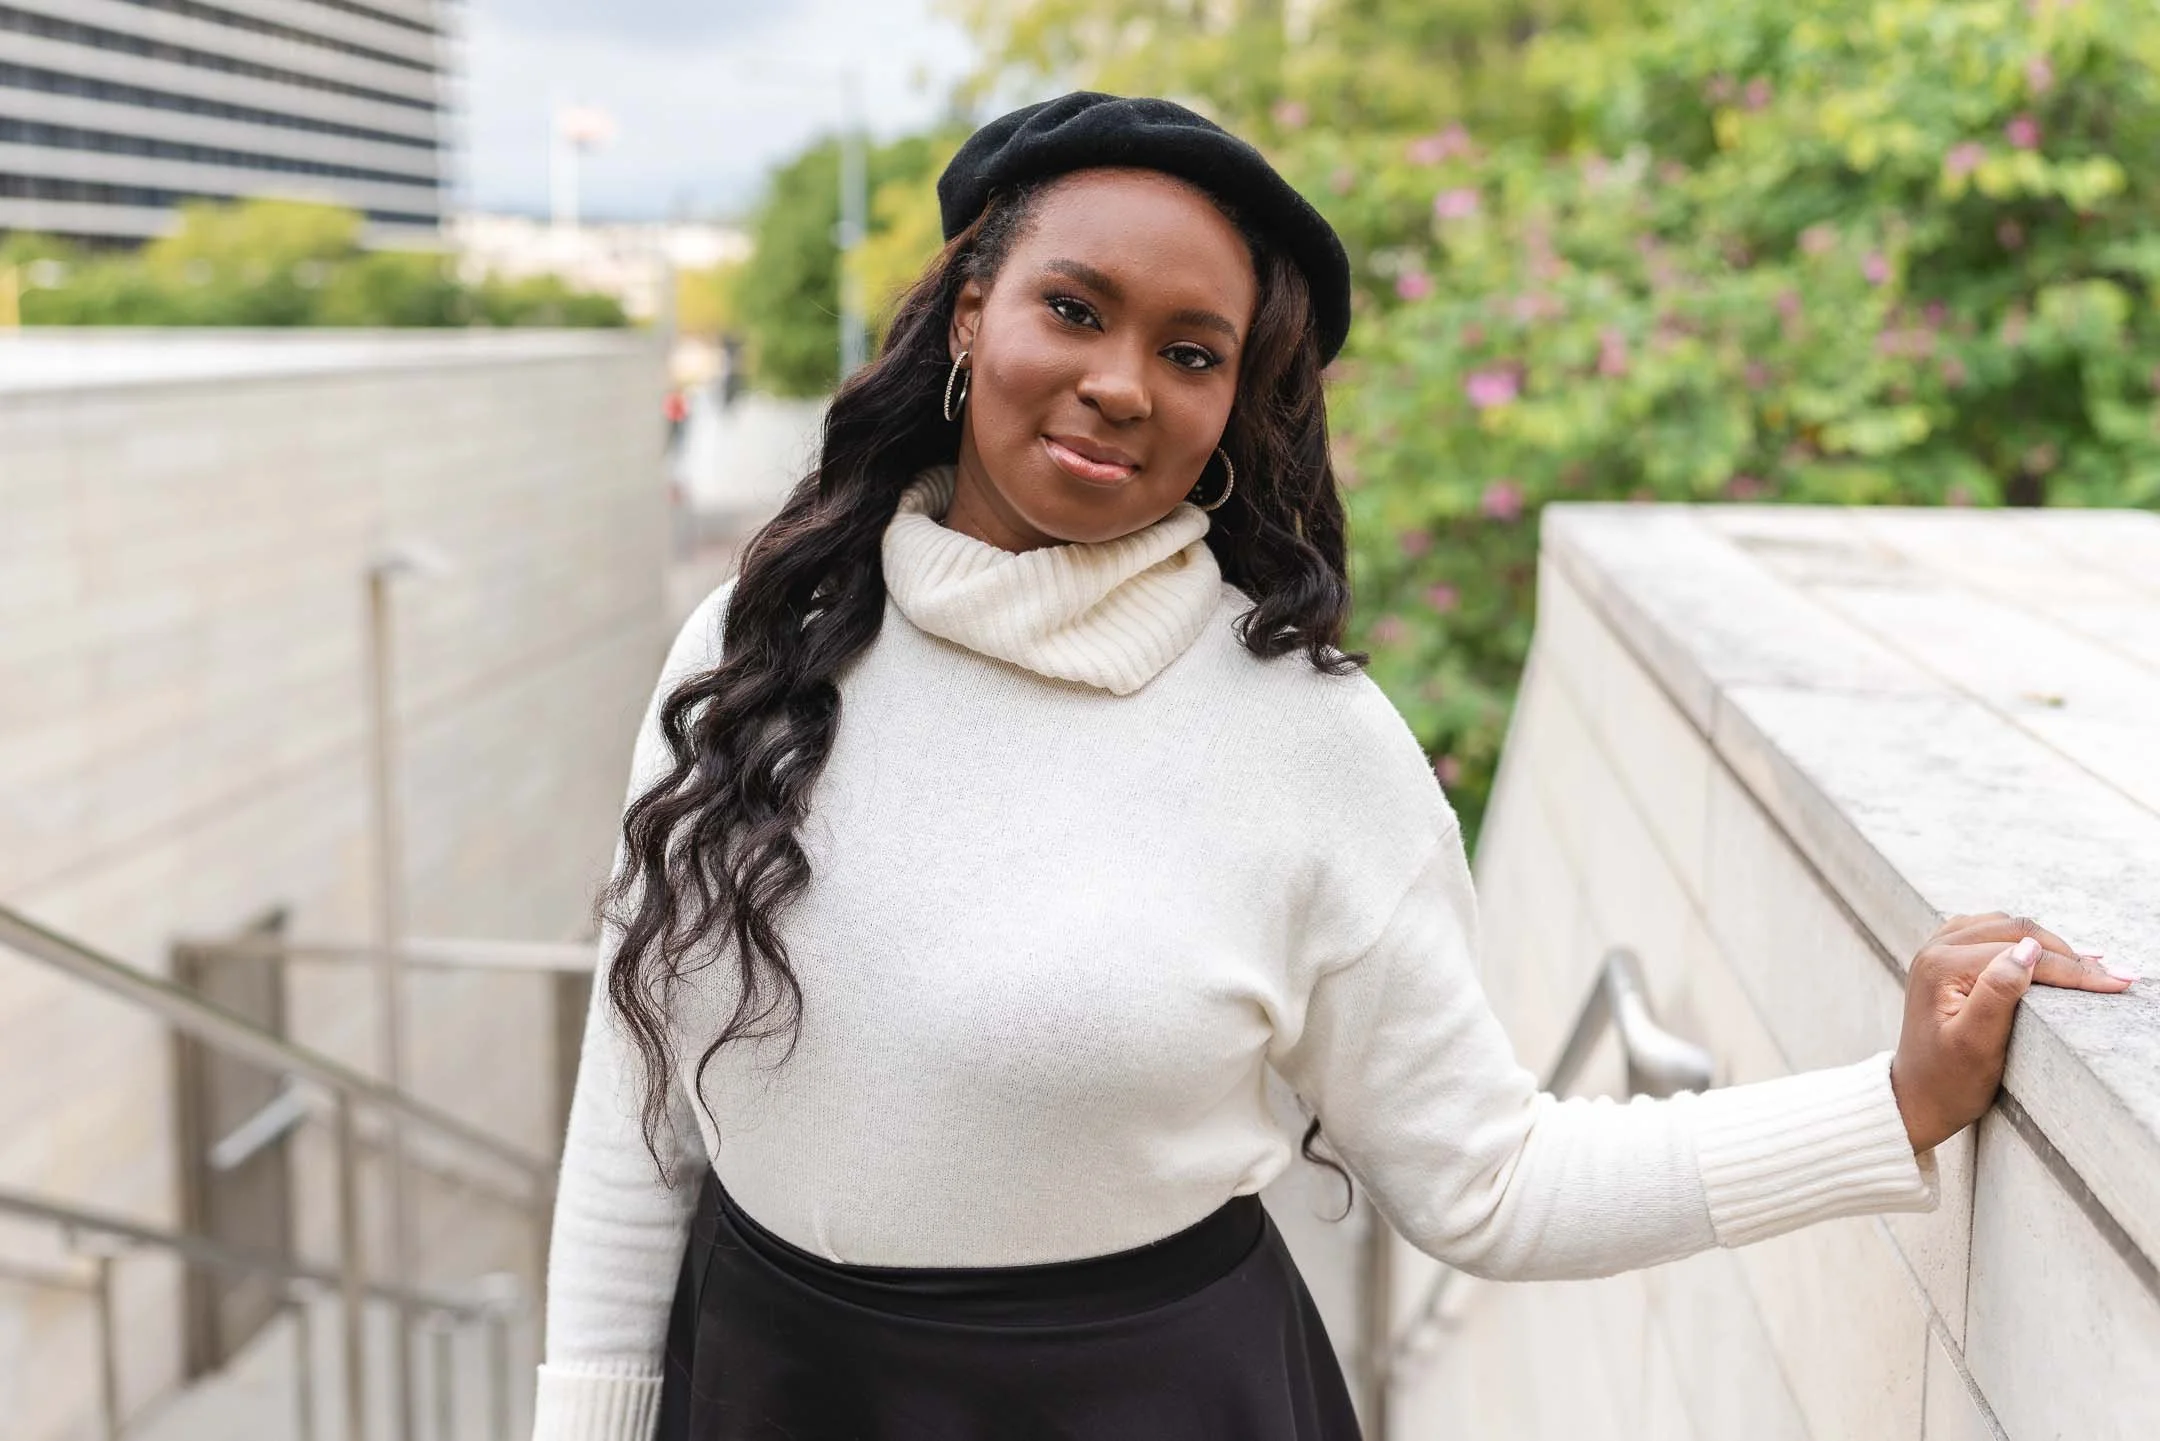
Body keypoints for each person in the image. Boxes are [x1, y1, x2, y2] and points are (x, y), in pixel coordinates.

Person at [531, 93, 2132, 1441]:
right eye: (1074, 309)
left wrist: (1896, 1104)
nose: (1118, 382)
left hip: (1139, 1403)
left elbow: (1490, 1179)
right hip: (762, 1379)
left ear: (1237, 402)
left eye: (1192, 350)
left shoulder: (1304, 742)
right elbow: (640, 1106)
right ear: (970, 312)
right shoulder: (757, 646)